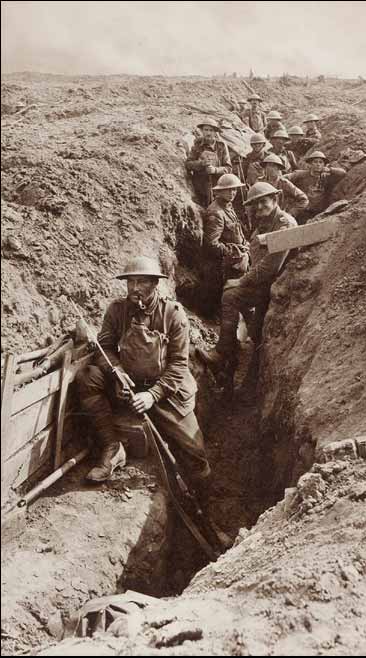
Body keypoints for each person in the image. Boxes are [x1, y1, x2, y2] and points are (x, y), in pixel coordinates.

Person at [76, 256, 231, 546]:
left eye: (142, 282)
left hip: (167, 392)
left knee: (196, 455)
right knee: (88, 377)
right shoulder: (117, 310)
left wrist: (152, 395)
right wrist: (117, 372)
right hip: (128, 386)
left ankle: (209, 514)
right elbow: (104, 348)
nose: (135, 288)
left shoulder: (173, 314)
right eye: (131, 282)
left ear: (155, 284)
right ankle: (112, 446)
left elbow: (178, 366)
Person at [196, 183, 297, 387]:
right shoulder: (266, 222)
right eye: (255, 204)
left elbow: (271, 265)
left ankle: (224, 354)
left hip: (279, 284)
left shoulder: (284, 223)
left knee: (230, 296)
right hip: (267, 282)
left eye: (263, 202)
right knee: (253, 329)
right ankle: (234, 365)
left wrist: (242, 280)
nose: (259, 207)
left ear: (275, 200)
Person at [202, 174, 250, 314]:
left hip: (236, 260)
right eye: (228, 190)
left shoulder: (228, 206)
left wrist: (245, 244)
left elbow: (236, 231)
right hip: (224, 266)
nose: (232, 193)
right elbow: (212, 244)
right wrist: (235, 251)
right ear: (219, 191)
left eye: (234, 189)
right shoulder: (216, 212)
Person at [284, 151, 346, 224]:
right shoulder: (301, 174)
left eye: (320, 162)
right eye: (315, 162)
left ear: (324, 165)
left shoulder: (326, 177)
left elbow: (343, 173)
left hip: (318, 213)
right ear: (310, 164)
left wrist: (330, 169)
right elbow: (283, 179)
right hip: (302, 212)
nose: (318, 164)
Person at [185, 118, 232, 207]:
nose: (208, 133)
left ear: (215, 132)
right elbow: (188, 164)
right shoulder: (197, 145)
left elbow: (228, 168)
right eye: (206, 130)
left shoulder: (221, 146)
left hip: (218, 185)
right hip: (201, 186)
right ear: (202, 131)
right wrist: (201, 163)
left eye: (211, 130)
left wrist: (215, 170)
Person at [258, 153, 308, 219]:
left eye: (274, 166)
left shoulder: (284, 183)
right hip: (263, 217)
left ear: (279, 168)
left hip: (278, 217)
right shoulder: (259, 181)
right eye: (269, 165)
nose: (271, 169)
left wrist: (290, 214)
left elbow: (304, 199)